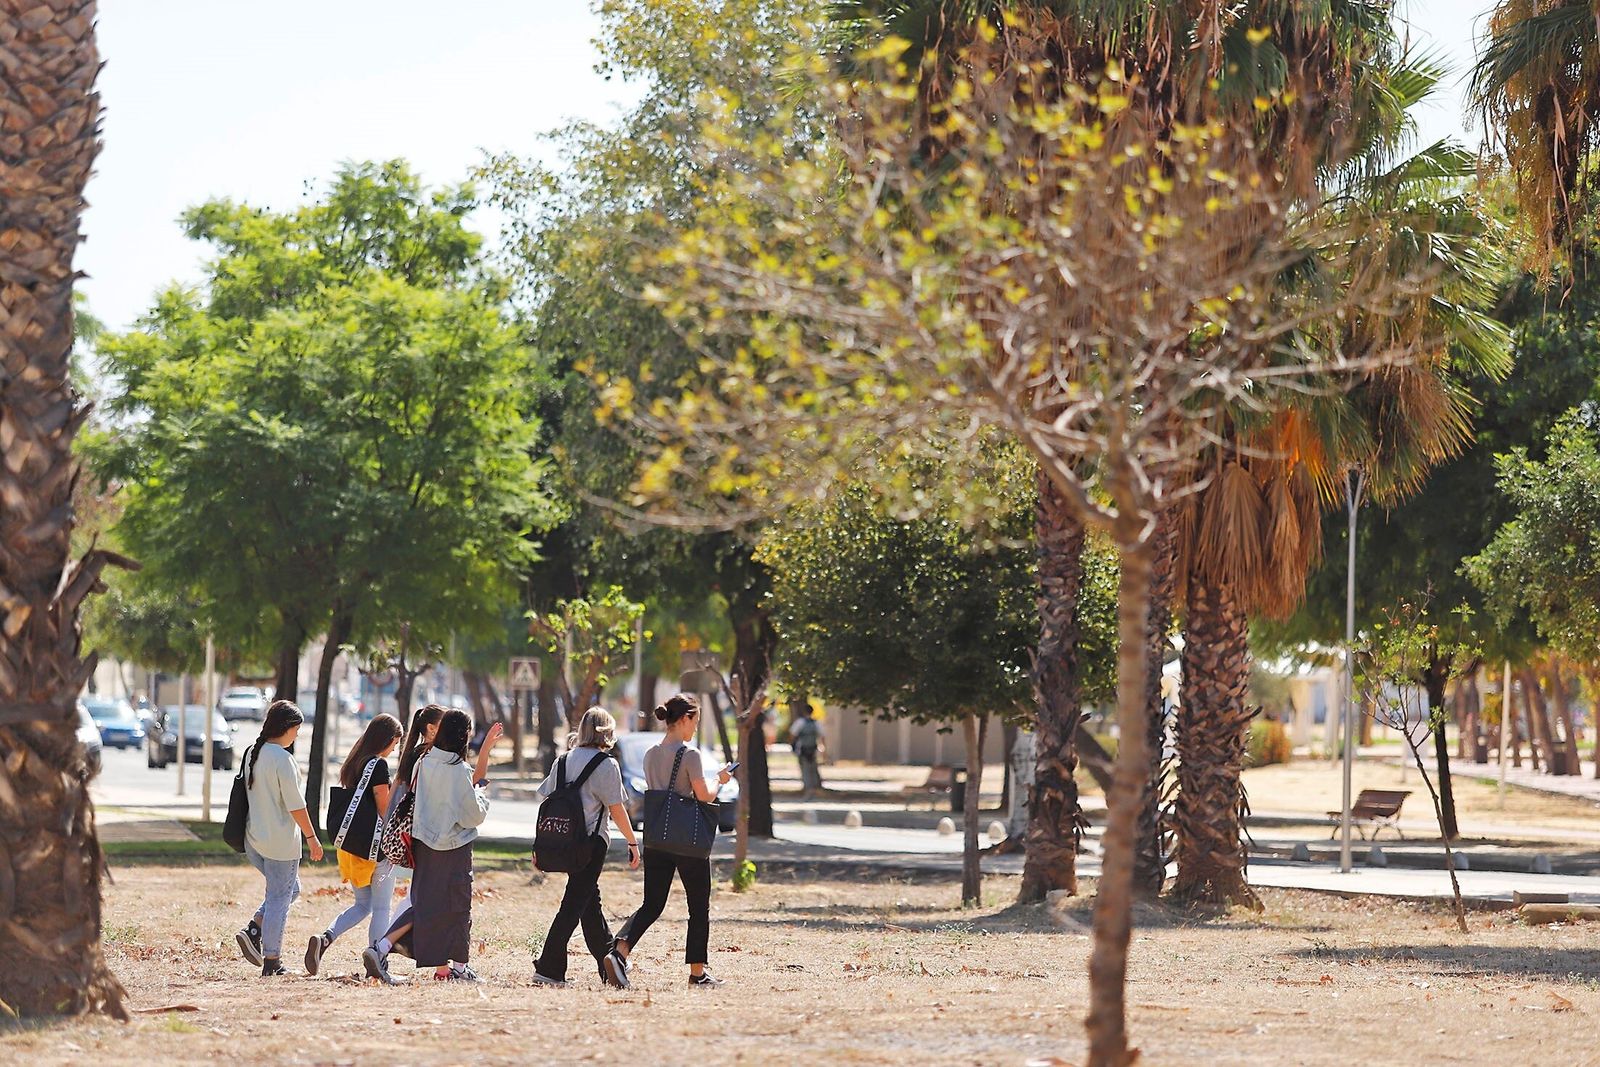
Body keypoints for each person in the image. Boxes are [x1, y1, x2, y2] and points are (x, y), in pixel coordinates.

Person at [364, 709, 501, 983]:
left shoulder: (422, 763)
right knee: (458, 906)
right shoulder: (459, 770)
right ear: (462, 736)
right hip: (454, 847)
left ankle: (390, 951)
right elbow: (472, 815)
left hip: (423, 844)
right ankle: (460, 968)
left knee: (426, 905)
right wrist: (481, 794)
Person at [611, 694, 733, 988]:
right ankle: (697, 972)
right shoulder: (689, 755)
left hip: (657, 837)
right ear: (684, 719)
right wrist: (722, 779)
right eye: (695, 721)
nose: (695, 728)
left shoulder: (650, 753)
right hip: (687, 839)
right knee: (698, 906)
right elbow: (704, 796)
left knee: (652, 903)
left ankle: (620, 950)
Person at [531, 707, 640, 989]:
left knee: (590, 905)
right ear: (607, 732)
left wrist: (539, 844)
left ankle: (608, 964)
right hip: (591, 844)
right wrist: (632, 841)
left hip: (563, 842)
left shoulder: (563, 760)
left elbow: (546, 800)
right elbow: (616, 809)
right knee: (573, 905)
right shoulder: (606, 764)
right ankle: (548, 968)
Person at [304, 713, 404, 975]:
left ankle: (326, 938)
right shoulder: (378, 765)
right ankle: (377, 961)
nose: (394, 749)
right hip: (374, 847)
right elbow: (383, 805)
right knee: (381, 906)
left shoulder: (354, 761)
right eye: (395, 744)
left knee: (363, 904)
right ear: (389, 739)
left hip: (351, 846)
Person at [235, 699, 324, 977]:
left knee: (288, 891)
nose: (297, 735)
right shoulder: (284, 760)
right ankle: (272, 961)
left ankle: (254, 930)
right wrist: (312, 837)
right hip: (281, 844)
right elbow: (296, 805)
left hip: (254, 840)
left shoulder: (253, 752)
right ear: (286, 728)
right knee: (278, 897)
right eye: (296, 730)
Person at [790, 701, 824, 798]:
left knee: (805, 769)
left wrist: (792, 745)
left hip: (802, 749)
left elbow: (792, 734)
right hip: (813, 748)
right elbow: (822, 736)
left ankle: (808, 789)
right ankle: (814, 789)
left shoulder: (800, 722)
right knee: (812, 769)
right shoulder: (816, 723)